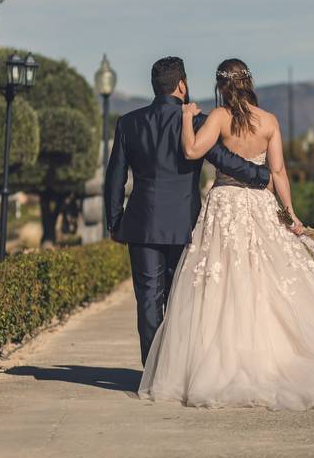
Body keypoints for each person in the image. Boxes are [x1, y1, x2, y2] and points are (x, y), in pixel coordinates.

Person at [137, 58, 314, 410]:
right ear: (249, 82)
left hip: (225, 204)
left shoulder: (219, 117)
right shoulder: (269, 121)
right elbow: (279, 171)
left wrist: (184, 118)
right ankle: (272, 357)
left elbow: (193, 150)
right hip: (259, 205)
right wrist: (292, 215)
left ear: (221, 85)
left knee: (222, 285)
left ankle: (224, 361)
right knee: (267, 281)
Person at [104, 57, 272, 366]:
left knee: (148, 301)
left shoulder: (128, 122)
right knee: (181, 299)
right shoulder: (195, 120)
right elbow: (225, 159)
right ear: (182, 84)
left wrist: (114, 221)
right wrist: (262, 176)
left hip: (141, 224)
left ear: (157, 86)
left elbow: (115, 176)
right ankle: (176, 368)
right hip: (184, 224)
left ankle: (152, 370)